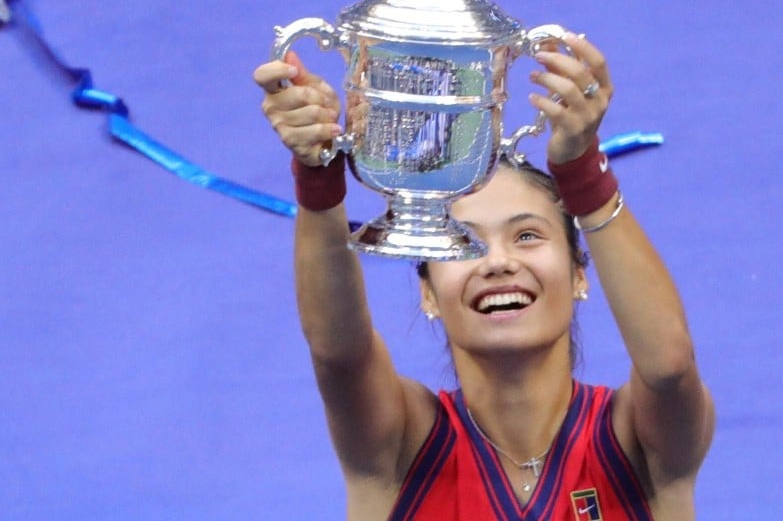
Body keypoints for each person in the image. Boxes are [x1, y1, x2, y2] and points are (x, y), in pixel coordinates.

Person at [253, 33, 714, 520]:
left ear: (581, 275)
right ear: (428, 292)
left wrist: (583, 174)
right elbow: (337, 353)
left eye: (528, 236)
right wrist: (318, 168)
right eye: (464, 243)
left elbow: (669, 367)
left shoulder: (637, 442)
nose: (497, 262)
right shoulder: (400, 447)